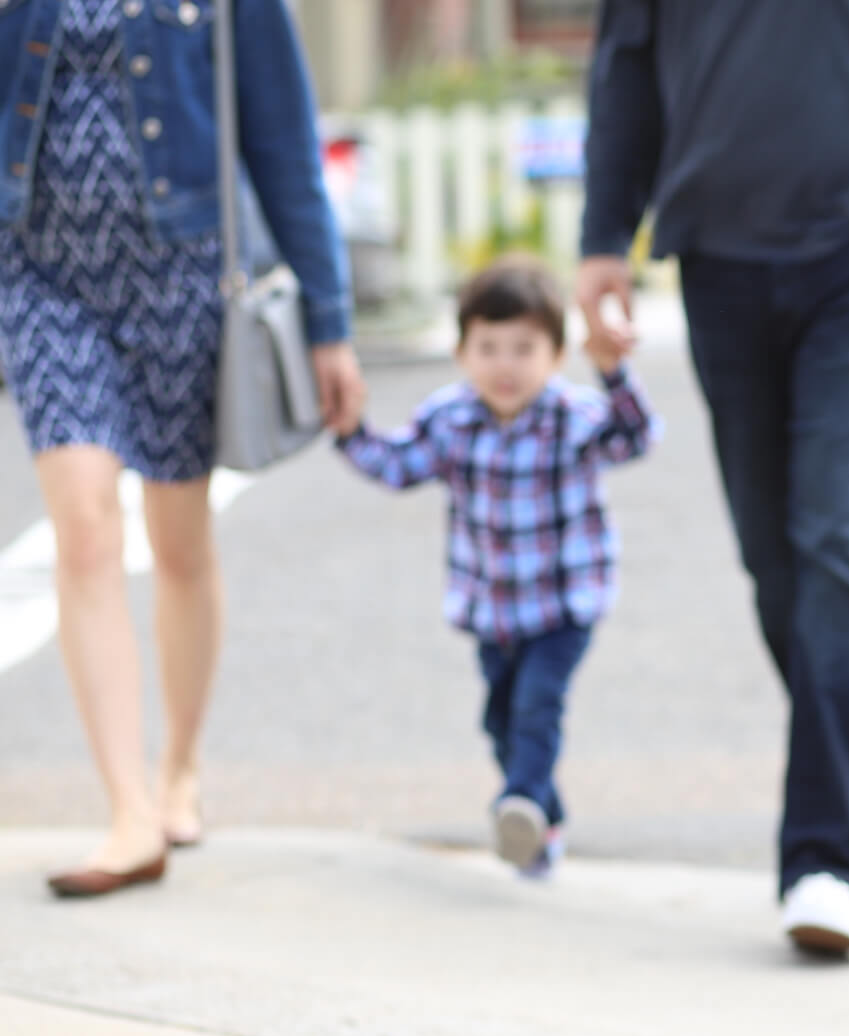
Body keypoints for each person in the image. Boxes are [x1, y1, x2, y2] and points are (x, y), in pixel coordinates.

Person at [577, 0, 849, 954]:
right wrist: (602, 239)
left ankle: (828, 856)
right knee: (778, 565)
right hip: (722, 261)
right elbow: (627, 63)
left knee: (842, 539)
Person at [0, 0, 365, 899]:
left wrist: (330, 321)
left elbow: (283, 141)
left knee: (179, 541)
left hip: (185, 276)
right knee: (85, 533)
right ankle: (129, 814)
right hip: (43, 278)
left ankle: (179, 767)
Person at [331, 257, 661, 879]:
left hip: (563, 603)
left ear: (556, 355)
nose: (505, 366)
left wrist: (614, 372)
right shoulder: (451, 419)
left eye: (524, 348)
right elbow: (398, 465)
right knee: (502, 721)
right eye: (488, 347)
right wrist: (352, 433)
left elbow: (636, 438)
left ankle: (523, 803)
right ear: (461, 353)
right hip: (491, 607)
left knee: (538, 706)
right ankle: (541, 822)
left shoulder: (572, 416)